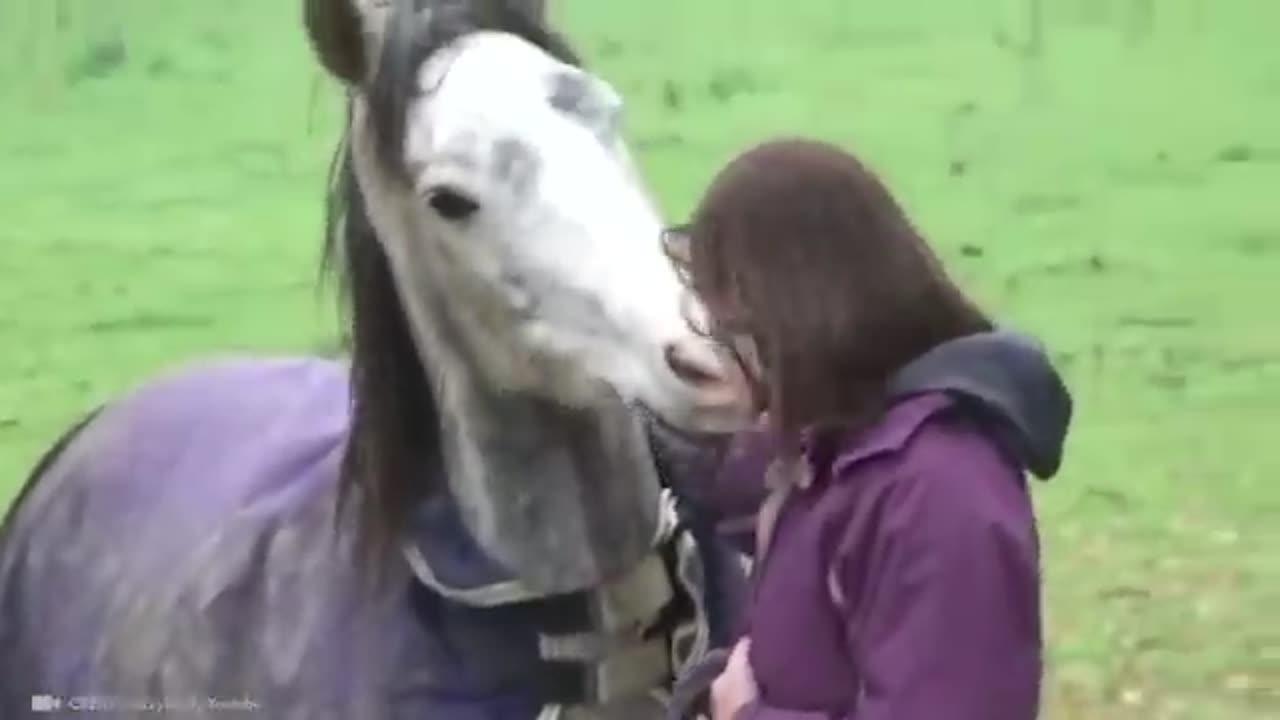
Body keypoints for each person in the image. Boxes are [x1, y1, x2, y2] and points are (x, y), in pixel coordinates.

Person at [661, 138, 1073, 720]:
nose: (724, 355)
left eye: (732, 332)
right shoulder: (833, 451)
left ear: (795, 318)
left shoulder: (939, 493)